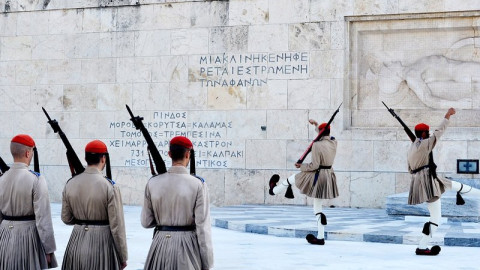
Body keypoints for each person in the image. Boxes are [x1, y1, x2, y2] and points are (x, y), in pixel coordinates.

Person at [408, 108, 480, 255]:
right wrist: (447, 116)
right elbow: (438, 133)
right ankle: (422, 246)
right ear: (423, 134)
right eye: (426, 133)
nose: (428, 135)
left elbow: (410, 169)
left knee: (451, 184)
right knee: (435, 219)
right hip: (428, 183)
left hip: (427, 179)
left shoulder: (412, 148)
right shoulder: (424, 145)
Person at [141, 136, 214, 270]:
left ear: (169, 154)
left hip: (159, 247)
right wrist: (207, 264)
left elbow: (146, 222)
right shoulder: (198, 184)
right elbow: (203, 229)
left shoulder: (153, 182)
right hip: (187, 248)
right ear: (188, 154)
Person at [269, 120, 339, 245]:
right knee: (317, 207)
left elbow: (314, 165)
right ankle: (321, 237)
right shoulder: (334, 142)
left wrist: (301, 166)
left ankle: (273, 190)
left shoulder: (317, 145)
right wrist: (317, 126)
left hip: (317, 175)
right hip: (328, 176)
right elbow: (324, 136)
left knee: (295, 179)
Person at [61, 140, 127, 269]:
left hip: (76, 242)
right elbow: (117, 226)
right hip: (102, 245)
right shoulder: (110, 186)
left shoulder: (70, 183)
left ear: (85, 158)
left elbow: (66, 218)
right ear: (103, 159)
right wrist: (122, 256)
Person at [0, 134, 57, 269]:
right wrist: (49, 250)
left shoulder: (1, 179)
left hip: (4, 237)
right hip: (28, 237)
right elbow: (43, 219)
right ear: (27, 152)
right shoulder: (36, 179)